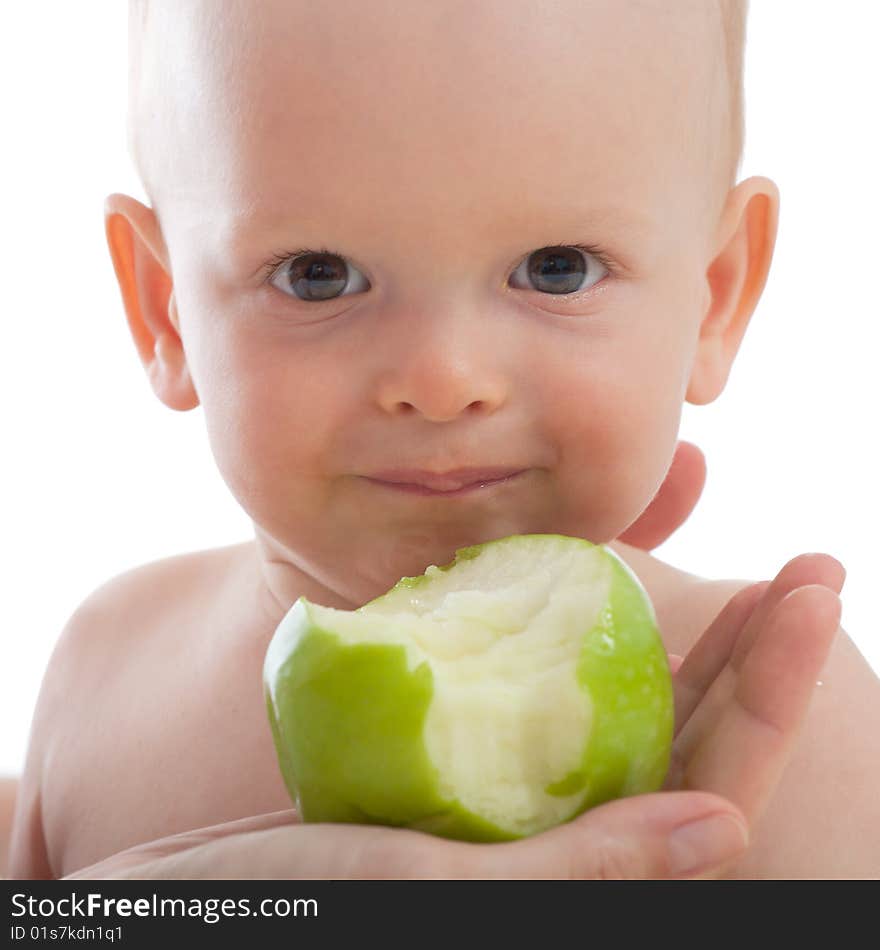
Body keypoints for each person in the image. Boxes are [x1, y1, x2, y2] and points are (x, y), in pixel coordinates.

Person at [8, 0, 879, 880]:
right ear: (166, 312)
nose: (442, 380)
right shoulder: (104, 666)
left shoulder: (788, 728)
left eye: (556, 268)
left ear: (715, 295)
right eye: (318, 278)